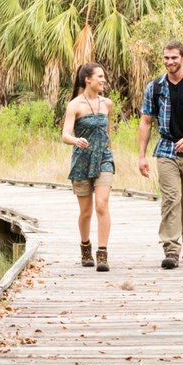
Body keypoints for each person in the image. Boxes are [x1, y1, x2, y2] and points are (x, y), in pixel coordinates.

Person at [137, 41, 183, 270]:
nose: (169, 62)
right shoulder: (155, 87)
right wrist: (141, 156)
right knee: (171, 198)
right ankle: (171, 249)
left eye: (174, 58)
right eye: (166, 58)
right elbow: (146, 121)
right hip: (166, 149)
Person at [62, 62, 115, 272]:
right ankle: (85, 247)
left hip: (103, 158)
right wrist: (76, 141)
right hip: (82, 160)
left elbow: (108, 133)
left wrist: (110, 154)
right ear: (88, 79)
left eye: (103, 76)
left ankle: (102, 253)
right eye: (99, 76)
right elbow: (65, 134)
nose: (103, 80)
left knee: (102, 205)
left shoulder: (107, 104)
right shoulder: (75, 105)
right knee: (86, 212)